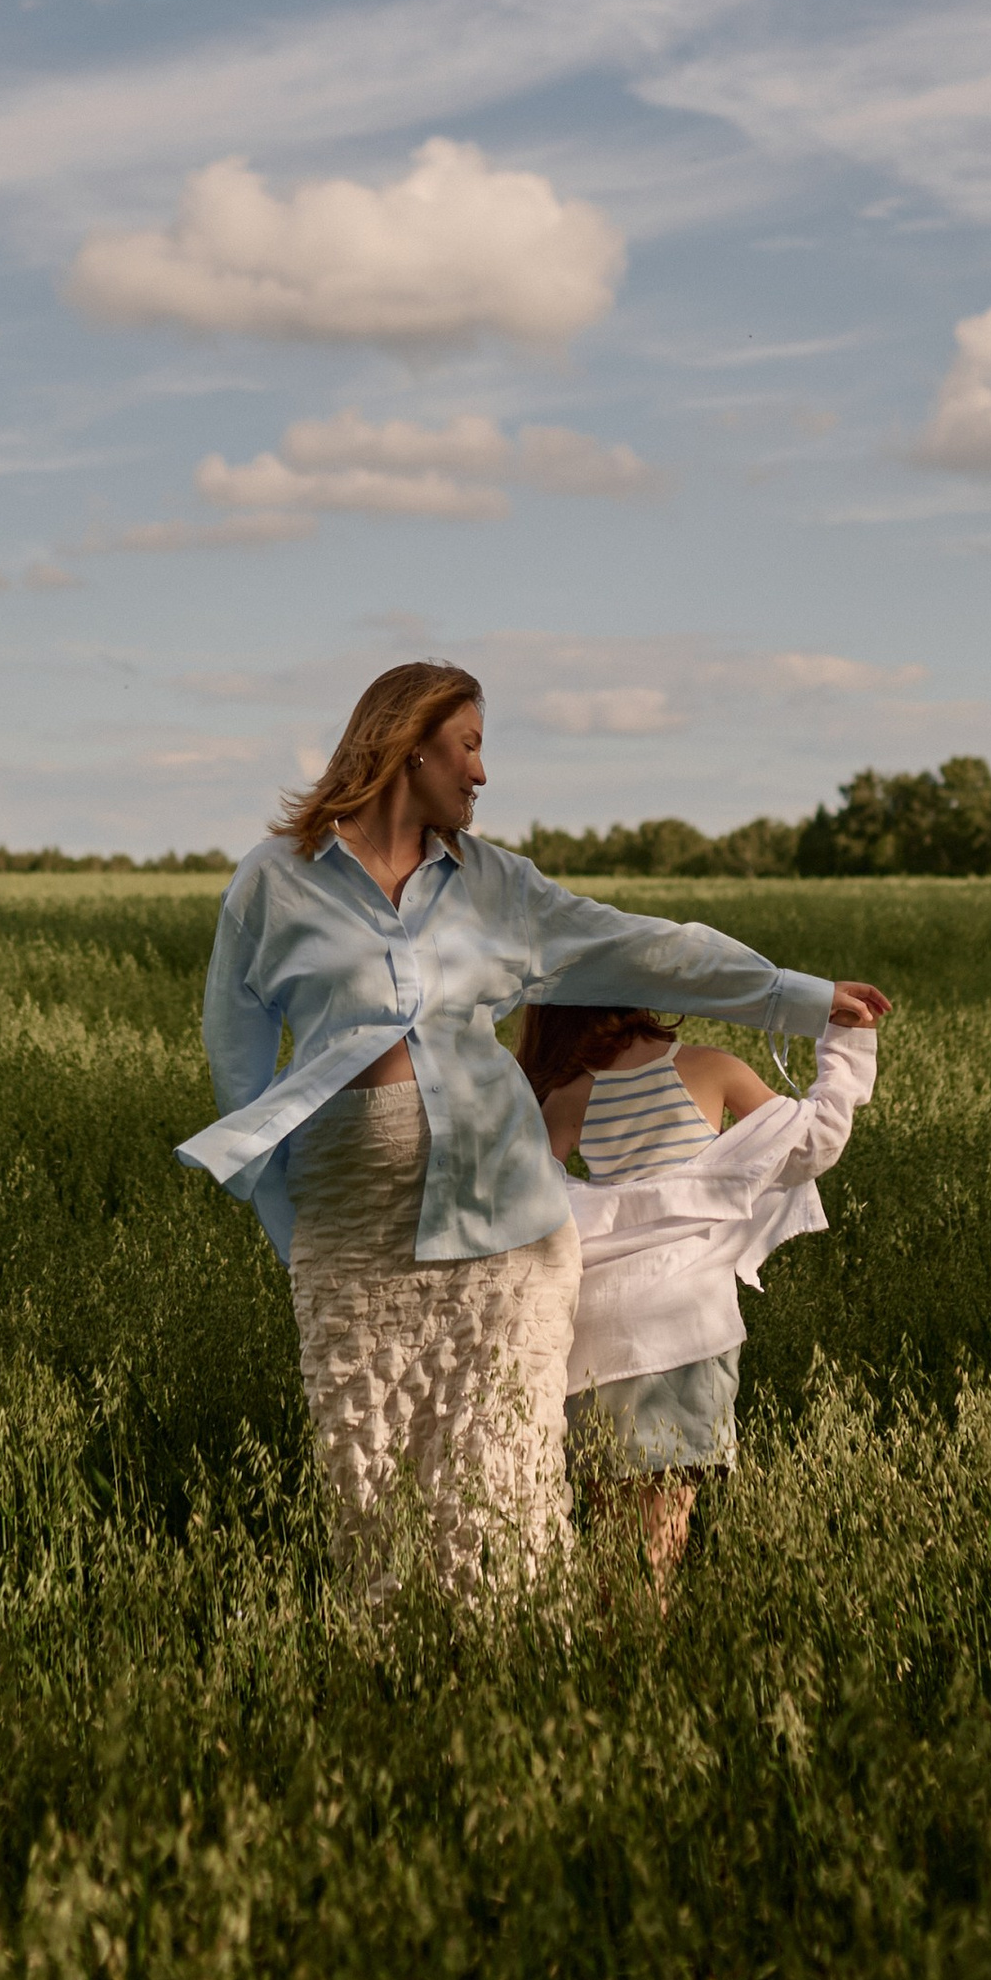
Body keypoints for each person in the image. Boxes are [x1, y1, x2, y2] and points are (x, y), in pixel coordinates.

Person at [178, 661, 889, 1596]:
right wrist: (293, 1218)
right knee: (372, 1478)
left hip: (504, 1219)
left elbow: (646, 948)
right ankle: (399, 1688)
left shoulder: (496, 888)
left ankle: (516, 1678)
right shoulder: (275, 883)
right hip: (353, 1232)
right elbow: (237, 1068)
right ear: (411, 745)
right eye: (469, 747)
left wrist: (800, 999)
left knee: (502, 1468)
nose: (482, 775)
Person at [522, 998, 878, 1592]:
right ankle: (644, 1671)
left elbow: (532, 1205)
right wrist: (845, 1044)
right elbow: (814, 1144)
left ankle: (606, 1667)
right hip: (680, 1330)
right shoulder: (710, 1068)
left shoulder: (566, 1097)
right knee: (659, 1537)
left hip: (591, 1342)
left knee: (612, 1534)